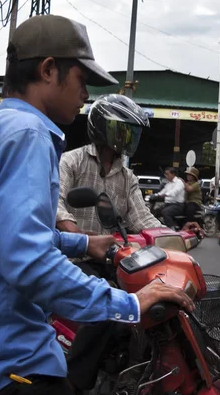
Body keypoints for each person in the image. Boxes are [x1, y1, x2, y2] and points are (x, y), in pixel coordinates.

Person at [0, 14, 194, 395]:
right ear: (48, 70)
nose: (85, 95)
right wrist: (130, 303)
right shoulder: (30, 137)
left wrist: (84, 244)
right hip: (2, 362)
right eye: (81, 81)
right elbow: (29, 260)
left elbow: (6, 233)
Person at [56, 94, 163, 271]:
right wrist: (80, 238)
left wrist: (174, 234)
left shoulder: (127, 177)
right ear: (102, 129)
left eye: (131, 134)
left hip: (110, 260)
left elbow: (141, 218)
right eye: (122, 132)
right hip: (71, 262)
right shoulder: (71, 162)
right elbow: (54, 203)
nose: (128, 138)